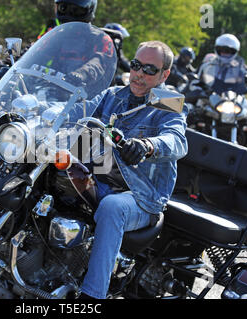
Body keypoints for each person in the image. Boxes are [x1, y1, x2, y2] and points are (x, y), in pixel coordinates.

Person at [76, 41, 188, 299]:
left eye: (150, 69)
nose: (139, 74)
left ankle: (92, 297)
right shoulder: (113, 95)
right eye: (136, 65)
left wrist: (148, 145)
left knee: (112, 208)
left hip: (139, 194)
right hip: (99, 179)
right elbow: (75, 110)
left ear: (164, 75)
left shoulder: (167, 102)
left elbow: (177, 140)